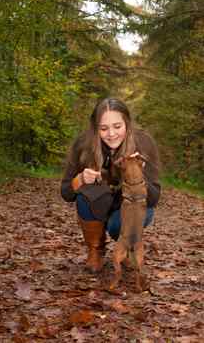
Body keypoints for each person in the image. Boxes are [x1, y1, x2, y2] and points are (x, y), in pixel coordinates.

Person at [61, 98, 161, 273]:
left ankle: (129, 248)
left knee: (117, 226)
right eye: (103, 128)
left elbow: (153, 199)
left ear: (127, 124)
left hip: (128, 207)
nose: (111, 134)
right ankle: (95, 249)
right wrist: (81, 179)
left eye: (117, 126)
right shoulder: (83, 145)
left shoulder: (143, 142)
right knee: (85, 194)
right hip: (100, 203)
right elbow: (66, 193)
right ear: (95, 128)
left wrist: (137, 173)